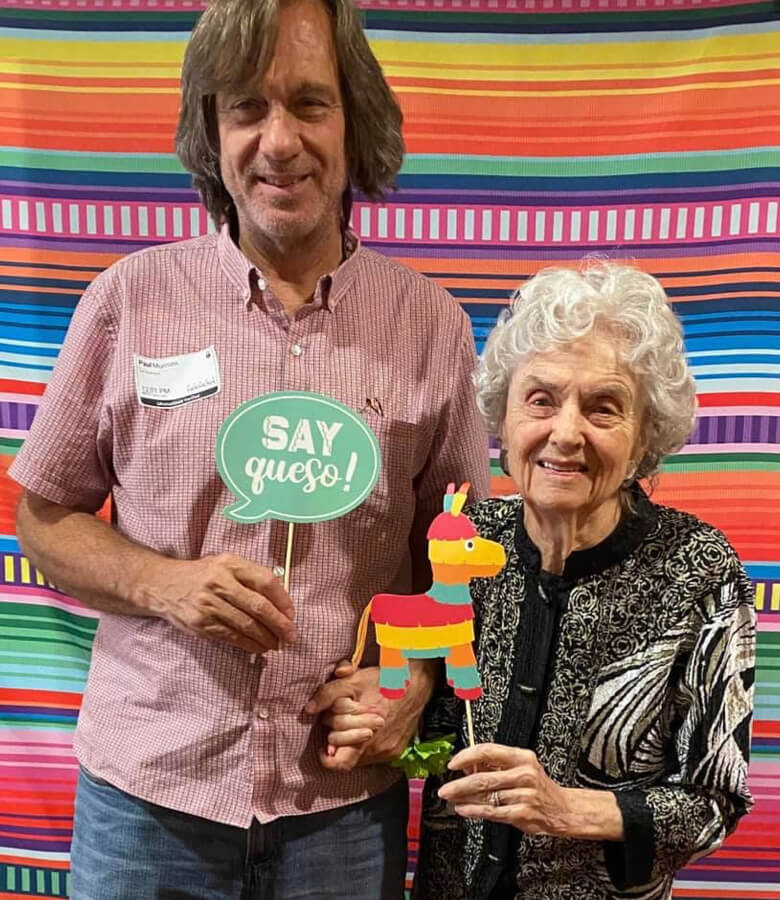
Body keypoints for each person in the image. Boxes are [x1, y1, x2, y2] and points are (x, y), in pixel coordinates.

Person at [8, 0, 489, 896]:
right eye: (246, 108)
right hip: (146, 798)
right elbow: (44, 518)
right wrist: (167, 584)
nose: (279, 141)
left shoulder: (431, 328)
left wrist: (414, 678)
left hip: (341, 810)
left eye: (310, 104)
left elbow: (460, 551)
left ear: (357, 125)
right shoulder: (129, 300)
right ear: (211, 130)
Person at [399, 261, 753, 899]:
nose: (565, 434)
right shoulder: (466, 544)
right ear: (502, 420)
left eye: (603, 408)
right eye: (540, 399)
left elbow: (714, 802)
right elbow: (424, 716)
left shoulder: (698, 567)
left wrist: (565, 809)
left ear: (645, 435)